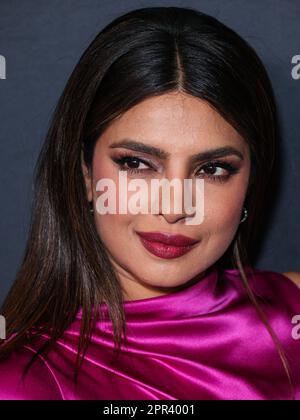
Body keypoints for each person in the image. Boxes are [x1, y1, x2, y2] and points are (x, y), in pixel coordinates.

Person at [0, 6, 299, 400]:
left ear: (250, 183)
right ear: (86, 175)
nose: (174, 207)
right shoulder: (22, 383)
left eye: (212, 170)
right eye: (137, 164)